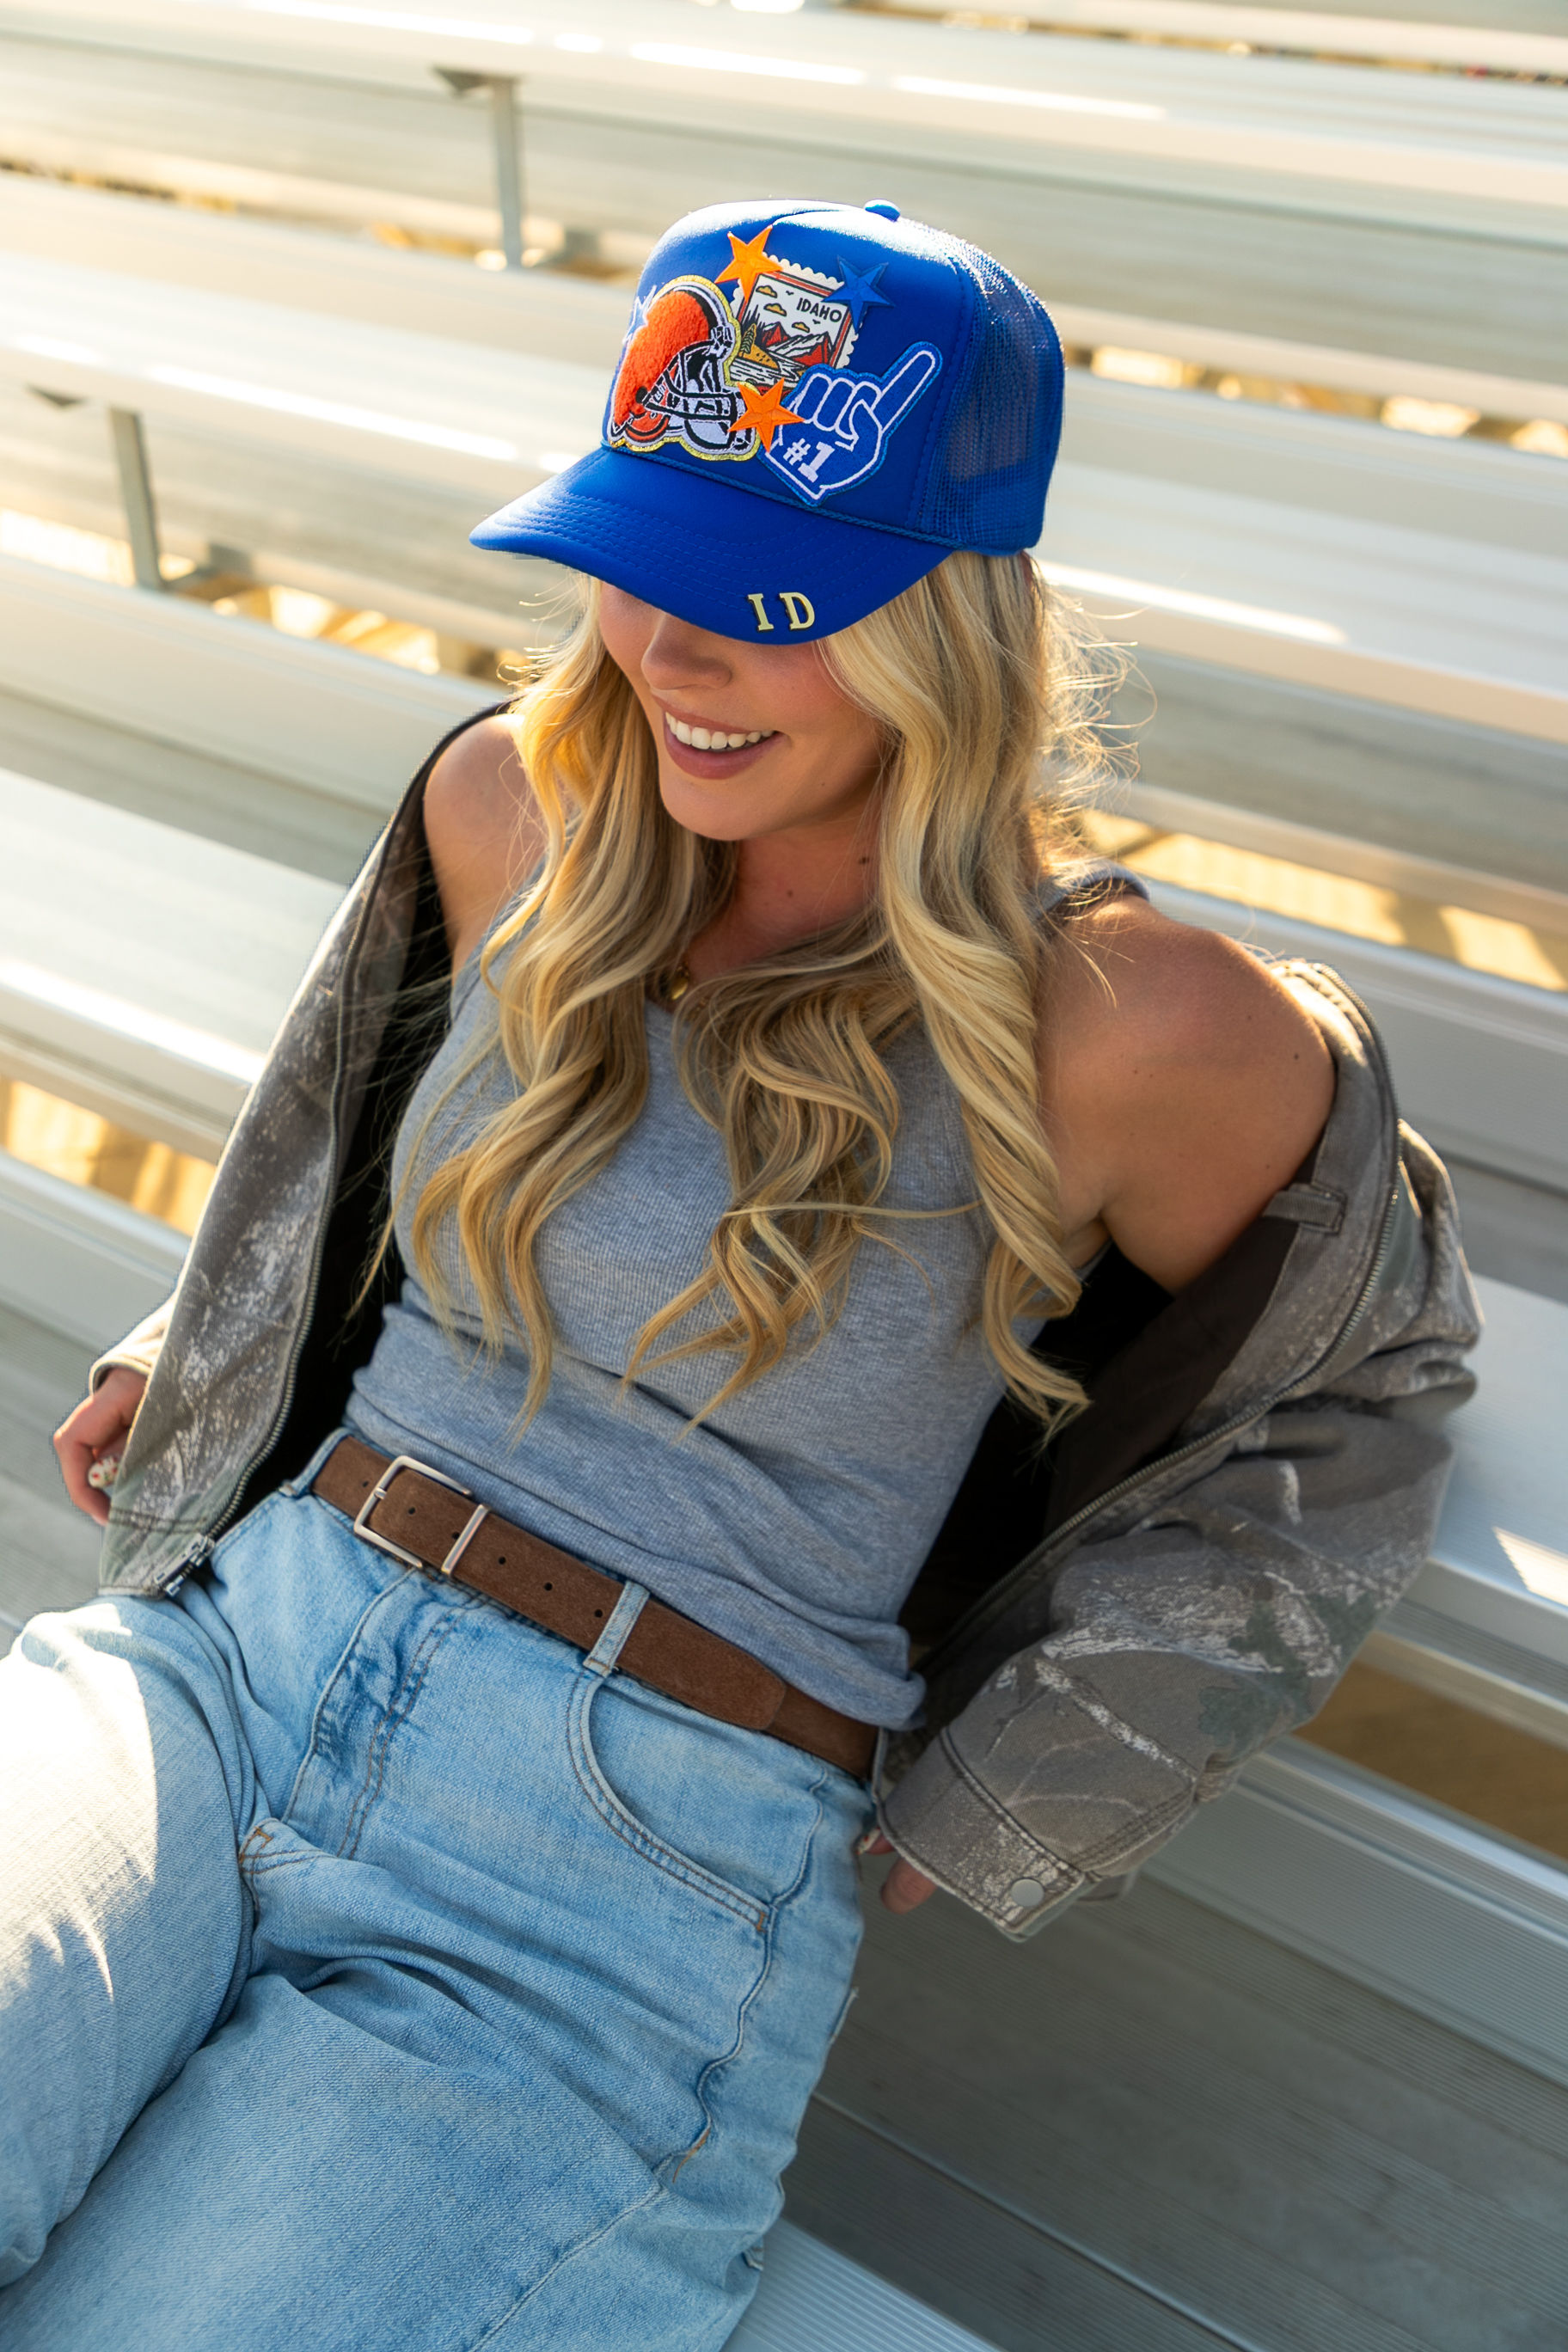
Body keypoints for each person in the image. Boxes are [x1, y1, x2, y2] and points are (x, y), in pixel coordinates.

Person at [3, 200, 1477, 2347]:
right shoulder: (511, 801)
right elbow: (347, 1136)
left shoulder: (1137, 1023)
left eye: (761, 603)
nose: (668, 654)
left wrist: (1054, 1758)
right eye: (648, 565)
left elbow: (1367, 1381)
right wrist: (216, 1337)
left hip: (621, 1871)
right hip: (238, 1661)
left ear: (947, 622)